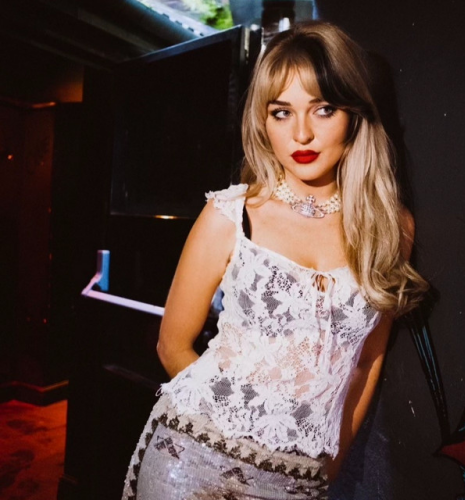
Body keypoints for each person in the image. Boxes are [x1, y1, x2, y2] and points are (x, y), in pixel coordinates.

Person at [122, 21, 429, 500]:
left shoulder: (391, 228)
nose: (301, 134)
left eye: (323, 109)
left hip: (297, 481)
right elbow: (172, 344)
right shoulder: (232, 213)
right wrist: (234, 438)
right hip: (191, 462)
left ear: (354, 114)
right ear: (263, 123)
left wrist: (331, 463)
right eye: (282, 112)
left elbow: (368, 362)